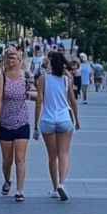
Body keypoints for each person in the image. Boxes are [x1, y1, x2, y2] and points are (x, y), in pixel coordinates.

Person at [34, 50, 80, 201]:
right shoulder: (67, 80)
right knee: (64, 153)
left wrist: (35, 125)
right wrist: (77, 119)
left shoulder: (42, 79)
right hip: (64, 119)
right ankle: (62, 183)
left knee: (52, 156)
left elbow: (39, 102)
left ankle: (54, 187)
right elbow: (72, 100)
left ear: (51, 63)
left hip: (47, 120)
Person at [0, 47, 34, 202]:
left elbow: (33, 93)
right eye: (9, 57)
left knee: (20, 158)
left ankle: (20, 190)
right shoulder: (1, 77)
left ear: (19, 59)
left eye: (14, 58)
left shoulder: (26, 76)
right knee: (7, 160)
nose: (11, 61)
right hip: (5, 122)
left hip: (22, 121)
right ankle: (7, 180)